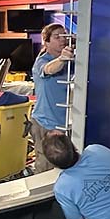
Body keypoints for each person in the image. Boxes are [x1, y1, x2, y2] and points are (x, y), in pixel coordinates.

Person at [31, 23, 74, 172]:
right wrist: (62, 59)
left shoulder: (70, 62)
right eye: (57, 37)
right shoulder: (41, 61)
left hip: (63, 124)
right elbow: (49, 69)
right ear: (46, 42)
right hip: (45, 123)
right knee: (44, 168)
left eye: (64, 35)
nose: (62, 39)